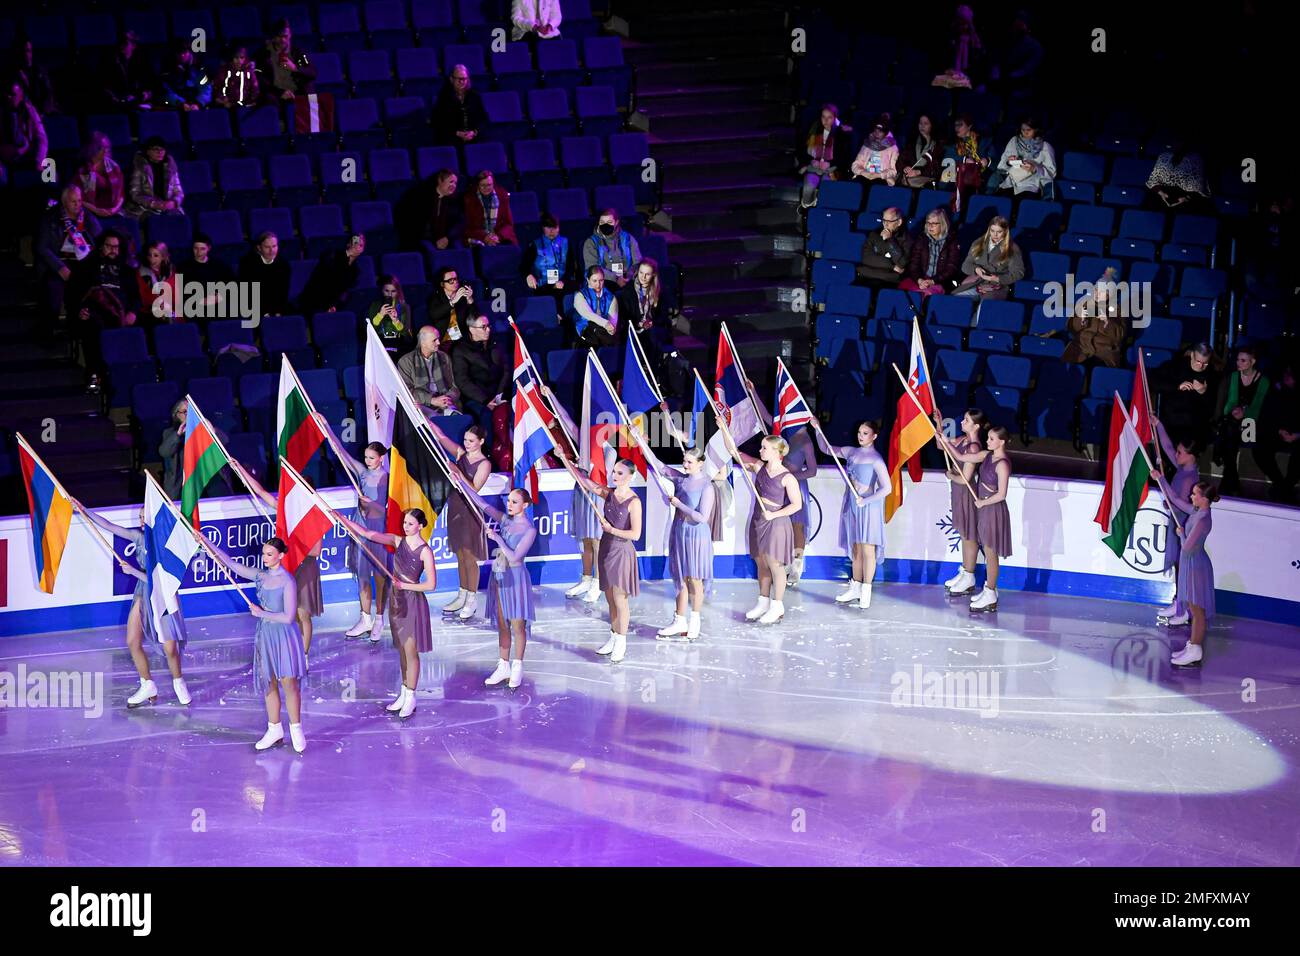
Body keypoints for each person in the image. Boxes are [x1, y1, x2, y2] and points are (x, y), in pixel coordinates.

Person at [72, 496, 192, 709]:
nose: (141, 521)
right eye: (139, 517)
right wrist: (83, 509)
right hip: (142, 592)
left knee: (170, 647)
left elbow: (163, 580)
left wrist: (134, 571)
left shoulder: (166, 545)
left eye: (145, 517)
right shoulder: (138, 537)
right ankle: (147, 684)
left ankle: (178, 681)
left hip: (163, 595)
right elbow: (109, 526)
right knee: (132, 641)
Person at [206, 535, 309, 751]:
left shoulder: (287, 581)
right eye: (263, 553)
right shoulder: (261, 576)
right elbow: (233, 565)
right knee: (268, 682)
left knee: (288, 683)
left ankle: (296, 728)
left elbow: (289, 617)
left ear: (281, 556)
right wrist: (209, 546)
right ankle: (274, 729)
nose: (264, 557)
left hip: (283, 637)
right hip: (265, 635)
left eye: (269, 554)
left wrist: (262, 612)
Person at [340, 509, 435, 719]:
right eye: (405, 523)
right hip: (396, 601)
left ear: (420, 525)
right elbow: (367, 534)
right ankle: (404, 691)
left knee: (411, 652)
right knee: (401, 649)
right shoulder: (396, 540)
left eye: (410, 523)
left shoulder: (424, 551)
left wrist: (406, 585)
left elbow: (431, 584)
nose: (405, 526)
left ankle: (411, 696)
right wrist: (345, 521)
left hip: (412, 602)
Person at [230, 460, 326, 659]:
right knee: (289, 614)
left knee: (303, 614)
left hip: (305, 568)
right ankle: (292, 650)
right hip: (288, 566)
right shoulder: (286, 509)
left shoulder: (315, 515)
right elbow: (261, 492)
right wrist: (240, 469)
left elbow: (316, 551)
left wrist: (293, 545)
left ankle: (304, 655)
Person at [451, 473, 538, 687]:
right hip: (499, 576)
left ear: (524, 505)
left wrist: (497, 537)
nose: (509, 504)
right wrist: (460, 481)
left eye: (514, 502)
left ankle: (517, 666)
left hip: (515, 579)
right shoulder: (505, 520)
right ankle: (503, 665)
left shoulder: (530, 530)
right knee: (502, 623)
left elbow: (516, 557)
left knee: (518, 625)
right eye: (508, 501)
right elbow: (480, 503)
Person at [313, 416, 393, 643]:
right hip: (360, 526)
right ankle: (364, 617)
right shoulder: (362, 472)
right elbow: (342, 455)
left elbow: (383, 509)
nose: (367, 461)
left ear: (381, 459)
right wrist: (326, 426)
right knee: (361, 574)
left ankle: (379, 618)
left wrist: (370, 503)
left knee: (379, 575)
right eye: (366, 457)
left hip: (376, 528)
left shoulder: (385, 478)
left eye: (372, 458)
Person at [563, 456, 643, 663]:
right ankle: (614, 636)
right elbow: (586, 482)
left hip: (622, 553)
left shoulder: (634, 502)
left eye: (620, 473)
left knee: (620, 599)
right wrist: (564, 459)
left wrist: (612, 529)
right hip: (606, 549)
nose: (614, 476)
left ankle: (622, 642)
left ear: (630, 476)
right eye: (614, 471)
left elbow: (635, 534)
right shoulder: (608, 494)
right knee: (609, 598)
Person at [721, 430, 802, 626]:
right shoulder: (759, 467)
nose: (760, 450)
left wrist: (774, 514)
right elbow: (733, 451)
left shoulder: (787, 477)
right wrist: (724, 428)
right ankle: (763, 601)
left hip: (776, 523)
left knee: (775, 565)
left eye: (764, 448)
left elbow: (796, 505)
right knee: (761, 563)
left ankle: (777, 605)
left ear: (776, 451)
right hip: (759, 521)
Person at [817, 421, 891, 609]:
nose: (861, 436)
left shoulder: (876, 459)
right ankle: (856, 587)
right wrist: (817, 429)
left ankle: (866, 590)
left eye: (865, 433)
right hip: (853, 506)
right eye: (859, 432)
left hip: (869, 507)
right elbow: (827, 448)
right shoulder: (851, 452)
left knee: (867, 550)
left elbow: (887, 488)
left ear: (874, 436)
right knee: (856, 549)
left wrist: (866, 501)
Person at [748, 384, 817, 584]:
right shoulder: (784, 433)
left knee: (797, 526)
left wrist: (790, 477)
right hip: (778, 486)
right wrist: (753, 392)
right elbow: (768, 416)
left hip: (795, 486)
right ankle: (781, 562)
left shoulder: (805, 441)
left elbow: (812, 471)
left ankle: (797, 566)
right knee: (780, 526)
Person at [545, 386, 605, 603]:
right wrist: (551, 395)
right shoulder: (584, 440)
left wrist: (583, 464)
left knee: (596, 540)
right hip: (580, 492)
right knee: (584, 539)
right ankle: (586, 578)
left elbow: (600, 480)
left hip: (597, 496)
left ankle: (599, 582)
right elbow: (565, 419)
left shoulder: (609, 449)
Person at [426, 420, 492, 620]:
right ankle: (462, 594)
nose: (468, 443)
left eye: (472, 440)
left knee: (470, 557)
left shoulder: (485, 464)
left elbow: (475, 488)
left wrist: (458, 472)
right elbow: (441, 436)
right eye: (465, 440)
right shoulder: (461, 455)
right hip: (455, 508)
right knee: (460, 555)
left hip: (470, 511)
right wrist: (424, 417)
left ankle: (472, 600)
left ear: (481, 441)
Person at [653, 447, 716, 642]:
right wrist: (641, 441)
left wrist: (679, 504)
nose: (685, 464)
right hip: (679, 532)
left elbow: (702, 517)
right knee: (680, 577)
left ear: (700, 463)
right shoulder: (681, 479)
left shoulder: (707, 486)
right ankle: (680, 620)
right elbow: (661, 467)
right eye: (684, 460)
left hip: (696, 536)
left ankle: (695, 621)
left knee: (694, 579)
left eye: (689, 462)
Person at [1155, 478, 1218, 667]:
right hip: (1192, 563)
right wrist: (1160, 478)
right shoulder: (1197, 511)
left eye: (1194, 494)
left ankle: (1196, 649)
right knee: (1193, 606)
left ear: (1204, 499)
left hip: (1196, 565)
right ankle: (1192, 646)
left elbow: (1188, 547)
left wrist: (1180, 532)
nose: (1191, 496)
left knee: (1197, 610)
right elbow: (1174, 498)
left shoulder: (1204, 518)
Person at [68, 228, 140, 391]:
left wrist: (133, 313)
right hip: (95, 313)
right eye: (109, 246)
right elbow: (75, 293)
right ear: (101, 246)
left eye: (116, 247)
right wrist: (80, 310)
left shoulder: (126, 270)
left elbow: (135, 298)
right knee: (93, 330)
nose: (113, 250)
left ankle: (122, 380)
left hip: (120, 313)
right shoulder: (87, 267)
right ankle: (95, 377)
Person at [1151, 415, 1202, 626]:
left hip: (1185, 526)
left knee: (1183, 567)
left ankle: (1184, 609)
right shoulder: (1183, 466)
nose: (1177, 455)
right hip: (1178, 521)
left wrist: (1160, 479)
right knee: (1180, 566)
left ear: (1190, 456)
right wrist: (1159, 425)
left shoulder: (1190, 477)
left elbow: (1179, 501)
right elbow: (1168, 447)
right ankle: (1179, 602)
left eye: (1181, 453)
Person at [933, 408, 989, 596]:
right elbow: (943, 446)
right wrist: (939, 425)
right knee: (964, 534)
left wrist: (950, 475)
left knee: (969, 535)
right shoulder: (963, 440)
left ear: (976, 426)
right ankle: (965, 572)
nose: (962, 422)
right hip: (958, 491)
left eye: (966, 420)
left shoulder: (973, 446)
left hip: (966, 491)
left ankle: (969, 575)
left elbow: (965, 477)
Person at [36, 185, 101, 329]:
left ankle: (78, 325)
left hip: (83, 262)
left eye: (79, 200)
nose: (78, 205)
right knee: (53, 287)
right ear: (64, 201)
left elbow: (99, 242)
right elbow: (42, 248)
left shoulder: (88, 217)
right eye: (73, 202)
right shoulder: (51, 218)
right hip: (58, 263)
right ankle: (50, 327)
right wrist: (60, 267)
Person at [969, 425, 1013, 612]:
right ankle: (989, 590)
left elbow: (1002, 494)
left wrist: (983, 503)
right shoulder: (987, 456)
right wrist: (945, 441)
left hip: (994, 510)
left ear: (1001, 441)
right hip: (986, 509)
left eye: (991, 439)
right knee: (987, 550)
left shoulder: (1002, 464)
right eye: (987, 438)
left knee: (990, 552)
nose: (987, 441)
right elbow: (964, 457)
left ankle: (990, 592)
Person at [1216, 344, 1271, 496]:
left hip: (1251, 422)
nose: (1238, 363)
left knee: (1231, 435)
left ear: (1252, 362)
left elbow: (1258, 407)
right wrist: (1234, 411)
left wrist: (1244, 413)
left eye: (1243, 360)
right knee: (1230, 432)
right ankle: (1232, 482)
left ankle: (1229, 482)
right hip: (1233, 420)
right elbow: (1230, 402)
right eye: (1238, 360)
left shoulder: (1263, 381)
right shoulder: (1234, 376)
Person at [450, 315, 510, 447]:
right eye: (483, 327)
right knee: (486, 415)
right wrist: (486, 400)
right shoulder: (461, 349)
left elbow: (505, 370)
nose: (488, 329)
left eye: (488, 326)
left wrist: (499, 395)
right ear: (471, 329)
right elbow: (462, 381)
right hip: (476, 398)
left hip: (497, 393)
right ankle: (489, 453)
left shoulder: (495, 343)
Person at [1153, 344, 1218, 450]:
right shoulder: (1175, 366)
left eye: (1205, 363)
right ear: (1192, 355)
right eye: (1198, 361)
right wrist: (1177, 386)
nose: (1201, 366)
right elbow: (1155, 382)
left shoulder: (1211, 375)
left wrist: (1203, 392)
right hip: (1172, 421)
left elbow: (1212, 408)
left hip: (1194, 425)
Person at [1062, 268, 1125, 367]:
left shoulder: (1118, 310)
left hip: (1104, 352)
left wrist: (1107, 322)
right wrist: (1080, 319)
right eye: (1096, 289)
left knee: (1099, 372)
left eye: (1102, 291)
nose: (1097, 294)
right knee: (1067, 366)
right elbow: (1071, 328)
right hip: (1082, 347)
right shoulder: (1085, 303)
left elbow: (1119, 336)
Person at [953, 216, 1024, 300]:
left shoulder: (1012, 248)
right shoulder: (978, 243)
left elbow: (1018, 273)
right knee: (956, 299)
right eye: (992, 231)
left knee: (985, 305)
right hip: (976, 283)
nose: (995, 234)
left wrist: (998, 278)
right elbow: (965, 266)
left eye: (999, 232)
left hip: (997, 286)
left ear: (1005, 231)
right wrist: (976, 269)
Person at [1259, 361, 1300, 503]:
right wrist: (1279, 430)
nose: (1286, 376)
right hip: (1280, 433)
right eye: (1286, 373)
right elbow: (1269, 415)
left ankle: (1287, 486)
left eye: (1290, 374)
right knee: (1260, 449)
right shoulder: (1278, 391)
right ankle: (1281, 484)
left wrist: (1297, 435)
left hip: (1298, 436)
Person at [297, 233, 365, 316]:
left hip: (333, 306)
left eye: (361, 245)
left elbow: (345, 292)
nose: (357, 246)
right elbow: (324, 278)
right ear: (348, 244)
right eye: (355, 242)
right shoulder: (333, 255)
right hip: (314, 299)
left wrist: (334, 306)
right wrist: (347, 254)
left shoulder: (355, 271)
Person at [899, 207, 962, 296]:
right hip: (921, 279)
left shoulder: (951, 241)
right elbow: (913, 264)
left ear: (943, 224)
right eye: (928, 223)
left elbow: (951, 267)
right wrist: (919, 280)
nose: (930, 226)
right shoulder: (921, 239)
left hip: (940, 281)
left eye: (934, 224)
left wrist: (933, 281)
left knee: (926, 294)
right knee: (903, 289)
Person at [397, 325, 460, 415]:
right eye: (434, 340)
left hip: (445, 402)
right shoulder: (406, 361)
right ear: (423, 343)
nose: (438, 342)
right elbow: (406, 392)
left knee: (459, 421)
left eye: (438, 339)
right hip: (421, 405)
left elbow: (454, 386)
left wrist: (448, 399)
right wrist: (431, 400)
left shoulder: (444, 357)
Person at [616, 257, 670, 358]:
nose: (643, 277)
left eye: (647, 274)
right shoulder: (628, 291)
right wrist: (640, 324)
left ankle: (652, 370)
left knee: (654, 336)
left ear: (653, 275)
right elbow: (625, 316)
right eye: (641, 273)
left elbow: (663, 315)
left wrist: (652, 322)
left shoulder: (659, 292)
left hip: (651, 328)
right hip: (633, 328)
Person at [799, 103, 851, 207]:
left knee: (826, 185)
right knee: (809, 185)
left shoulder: (841, 134)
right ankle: (807, 206)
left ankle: (822, 210)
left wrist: (830, 163)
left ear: (834, 118)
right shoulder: (813, 130)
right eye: (823, 117)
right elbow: (803, 151)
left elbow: (844, 157)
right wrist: (811, 160)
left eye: (829, 117)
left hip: (831, 169)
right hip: (814, 167)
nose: (826, 120)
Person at [991, 118, 1056, 197]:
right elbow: (1001, 166)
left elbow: (1051, 172)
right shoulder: (1014, 141)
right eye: (1023, 130)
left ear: (1036, 129)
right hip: (1010, 184)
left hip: (1031, 186)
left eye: (1029, 130)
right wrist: (1009, 162)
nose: (1025, 133)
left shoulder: (1045, 146)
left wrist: (1035, 168)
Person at [124, 137, 185, 221]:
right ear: (148, 151)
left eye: (162, 149)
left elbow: (178, 191)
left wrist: (174, 202)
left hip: (166, 206)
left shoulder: (170, 166)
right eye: (156, 149)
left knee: (180, 220)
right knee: (154, 220)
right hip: (145, 207)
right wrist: (152, 203)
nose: (160, 152)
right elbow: (135, 194)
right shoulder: (139, 166)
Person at [179, 233, 236, 322]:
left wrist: (219, 297)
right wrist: (202, 301)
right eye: (195, 248)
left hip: (218, 302)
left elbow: (231, 284)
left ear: (209, 248)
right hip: (195, 305)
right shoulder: (184, 267)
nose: (198, 252)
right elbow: (182, 291)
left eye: (202, 249)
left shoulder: (219, 265)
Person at [524, 212, 573, 313]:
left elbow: (571, 267)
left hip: (562, 282)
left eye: (554, 227)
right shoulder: (535, 245)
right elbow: (524, 266)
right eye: (548, 227)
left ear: (558, 227)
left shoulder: (566, 243)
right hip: (543, 284)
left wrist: (563, 281)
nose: (551, 231)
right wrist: (528, 275)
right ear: (543, 228)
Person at [0, 81, 47, 184]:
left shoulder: (29, 110)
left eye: (12, 95)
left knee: (48, 170)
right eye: (7, 94)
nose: (9, 97)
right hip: (5, 156)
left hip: (26, 155)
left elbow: (42, 137)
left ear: (21, 96)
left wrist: (39, 161)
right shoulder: (2, 112)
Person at [259, 19, 316, 101]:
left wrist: (295, 68)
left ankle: (313, 113)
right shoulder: (264, 53)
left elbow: (312, 72)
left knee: (309, 87)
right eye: (279, 36)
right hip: (275, 91)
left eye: (285, 36)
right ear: (274, 37)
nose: (283, 40)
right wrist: (280, 92)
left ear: (290, 35)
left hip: (294, 89)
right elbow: (259, 78)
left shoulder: (297, 52)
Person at [1145, 142, 1210, 213]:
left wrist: (1185, 198)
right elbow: (1153, 180)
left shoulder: (1196, 160)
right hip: (1164, 192)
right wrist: (1161, 193)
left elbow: (1199, 188)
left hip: (1186, 196)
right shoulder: (1164, 157)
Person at [582, 209, 641, 288]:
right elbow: (593, 269)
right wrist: (616, 278)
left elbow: (637, 262)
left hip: (628, 279)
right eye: (602, 222)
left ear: (616, 222)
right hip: (603, 280)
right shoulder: (591, 242)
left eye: (609, 222)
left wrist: (628, 276)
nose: (605, 225)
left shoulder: (628, 238)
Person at [432, 64, 487, 147]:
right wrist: (457, 133)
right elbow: (438, 122)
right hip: (450, 140)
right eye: (459, 79)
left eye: (464, 79)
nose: (462, 82)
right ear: (451, 79)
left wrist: (474, 132)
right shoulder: (444, 97)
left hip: (473, 139)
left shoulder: (474, 96)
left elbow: (483, 119)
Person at [73, 132, 125, 221]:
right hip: (89, 212)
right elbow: (75, 197)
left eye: (107, 147)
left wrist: (114, 210)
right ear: (92, 149)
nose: (106, 150)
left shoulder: (114, 166)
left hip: (114, 211)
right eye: (101, 148)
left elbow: (122, 195)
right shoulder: (82, 169)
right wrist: (96, 210)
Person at [237, 232, 291, 316]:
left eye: (274, 246)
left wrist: (278, 312)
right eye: (267, 247)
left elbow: (283, 292)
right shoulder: (247, 264)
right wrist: (264, 313)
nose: (272, 251)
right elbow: (248, 293)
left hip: (277, 307)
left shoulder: (283, 264)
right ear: (259, 248)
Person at [946, 114, 992, 213]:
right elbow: (947, 158)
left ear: (969, 126)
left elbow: (994, 158)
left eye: (960, 125)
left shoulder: (983, 141)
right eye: (955, 125)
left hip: (980, 176)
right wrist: (964, 159)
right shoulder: (953, 143)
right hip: (959, 176)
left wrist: (987, 160)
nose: (957, 128)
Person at [856, 206, 910, 287]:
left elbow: (901, 263)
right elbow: (866, 258)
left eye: (889, 221)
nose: (885, 224)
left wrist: (890, 240)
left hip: (888, 281)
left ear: (899, 222)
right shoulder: (874, 235)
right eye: (884, 220)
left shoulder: (907, 239)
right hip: (867, 277)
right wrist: (892, 266)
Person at [99, 31, 152, 111]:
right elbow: (104, 86)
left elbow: (149, 84)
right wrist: (117, 97)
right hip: (116, 104)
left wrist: (146, 93)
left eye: (125, 43)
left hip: (135, 103)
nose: (121, 46)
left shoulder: (140, 63)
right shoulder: (109, 62)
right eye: (120, 42)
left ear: (133, 46)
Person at [463, 169, 516, 246]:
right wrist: (485, 236)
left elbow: (508, 224)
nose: (486, 188)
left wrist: (498, 236)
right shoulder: (469, 199)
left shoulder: (502, 196)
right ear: (477, 185)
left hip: (498, 236)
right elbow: (467, 227)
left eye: (489, 185)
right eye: (482, 185)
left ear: (493, 184)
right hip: (478, 236)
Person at [159, 38, 213, 111]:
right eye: (179, 53)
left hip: (198, 108)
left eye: (184, 52)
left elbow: (206, 89)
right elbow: (165, 91)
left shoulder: (199, 69)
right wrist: (180, 103)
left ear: (190, 52)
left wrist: (198, 103)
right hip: (177, 108)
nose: (182, 55)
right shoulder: (168, 70)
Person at [7, 36, 57, 115]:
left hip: (38, 114)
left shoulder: (39, 71)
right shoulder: (14, 73)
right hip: (22, 114)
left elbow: (48, 93)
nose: (26, 54)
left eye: (28, 51)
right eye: (23, 51)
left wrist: (43, 112)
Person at [369, 274, 416, 356]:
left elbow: (406, 333)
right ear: (382, 291)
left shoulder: (404, 307)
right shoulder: (375, 305)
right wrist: (380, 315)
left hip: (399, 344)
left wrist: (395, 320)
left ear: (398, 292)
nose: (389, 294)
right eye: (386, 291)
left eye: (393, 291)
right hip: (381, 344)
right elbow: (371, 330)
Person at [573, 265, 618, 347]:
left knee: (609, 336)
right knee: (596, 330)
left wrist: (611, 329)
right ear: (588, 280)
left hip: (603, 332)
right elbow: (588, 314)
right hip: (585, 329)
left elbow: (613, 320)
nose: (598, 284)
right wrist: (605, 323)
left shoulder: (611, 297)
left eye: (601, 280)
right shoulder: (580, 295)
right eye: (594, 281)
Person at [428, 265, 474, 343]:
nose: (455, 282)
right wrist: (452, 302)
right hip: (443, 339)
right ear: (442, 284)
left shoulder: (462, 297)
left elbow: (474, 318)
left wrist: (470, 300)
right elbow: (434, 314)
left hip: (461, 340)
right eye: (450, 280)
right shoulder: (435, 298)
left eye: (456, 279)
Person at [849, 116, 898, 186]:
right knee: (857, 186)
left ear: (885, 132)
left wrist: (879, 175)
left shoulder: (892, 148)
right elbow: (855, 165)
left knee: (876, 186)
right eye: (875, 130)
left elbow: (893, 171)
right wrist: (863, 172)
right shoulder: (867, 144)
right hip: (865, 176)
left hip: (882, 179)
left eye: (880, 131)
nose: (877, 133)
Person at [897, 114, 943, 189]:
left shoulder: (938, 145)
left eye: (926, 123)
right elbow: (900, 161)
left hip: (926, 181)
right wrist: (905, 167)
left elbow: (937, 170)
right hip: (909, 179)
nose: (922, 126)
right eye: (920, 123)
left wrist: (918, 172)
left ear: (932, 125)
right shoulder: (911, 141)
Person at [136, 240, 177, 323]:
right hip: (150, 311)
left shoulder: (171, 270)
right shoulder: (141, 272)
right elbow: (143, 296)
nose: (152, 259)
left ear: (163, 256)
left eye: (155, 256)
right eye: (149, 255)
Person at [213, 43, 260, 108]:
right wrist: (223, 99)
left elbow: (255, 89)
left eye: (242, 58)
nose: (239, 61)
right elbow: (217, 87)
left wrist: (252, 101)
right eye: (236, 58)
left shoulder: (249, 71)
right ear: (232, 58)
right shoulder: (225, 71)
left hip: (246, 105)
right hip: (229, 104)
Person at [428, 169, 463, 249]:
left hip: (447, 239)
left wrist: (447, 238)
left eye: (455, 183)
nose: (454, 185)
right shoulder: (426, 198)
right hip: (428, 239)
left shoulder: (454, 200)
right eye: (451, 182)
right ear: (440, 181)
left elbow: (460, 222)